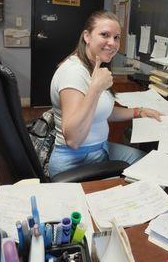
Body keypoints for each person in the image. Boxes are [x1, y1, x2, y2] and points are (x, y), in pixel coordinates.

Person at [48, 10, 161, 178]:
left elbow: (100, 112)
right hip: (76, 162)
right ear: (87, 36)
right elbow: (73, 139)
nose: (112, 43)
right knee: (149, 171)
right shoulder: (73, 72)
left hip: (101, 149)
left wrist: (138, 111)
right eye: (105, 35)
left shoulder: (94, 65)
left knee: (151, 164)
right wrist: (95, 89)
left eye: (116, 37)